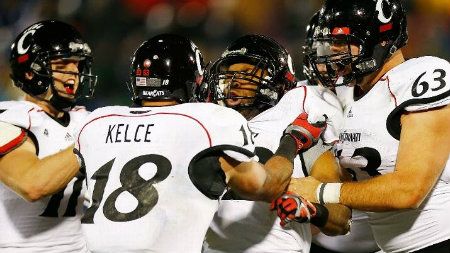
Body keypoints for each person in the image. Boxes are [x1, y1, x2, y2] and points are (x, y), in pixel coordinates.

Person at [76, 34, 326, 253]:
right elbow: (264, 187)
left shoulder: (97, 120)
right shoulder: (208, 120)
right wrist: (291, 141)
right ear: (192, 80)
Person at [276, 0, 450, 252]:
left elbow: (408, 191)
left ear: (378, 41)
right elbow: (354, 190)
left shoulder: (421, 75)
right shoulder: (352, 95)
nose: (331, 52)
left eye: (340, 42)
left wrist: (321, 191)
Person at [199, 34, 351, 253]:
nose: (235, 80)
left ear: (278, 82)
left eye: (246, 72)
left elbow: (342, 219)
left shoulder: (300, 129)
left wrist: (311, 211)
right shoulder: (206, 127)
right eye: (229, 72)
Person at [0, 20, 97, 252]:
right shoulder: (9, 119)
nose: (74, 72)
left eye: (77, 64)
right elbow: (32, 184)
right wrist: (90, 140)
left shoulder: (86, 119)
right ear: (32, 72)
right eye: (64, 64)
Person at [302, 12, 381, 253]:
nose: (331, 58)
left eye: (338, 47)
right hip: (325, 238)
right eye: (324, 51)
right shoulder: (301, 97)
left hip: (395, 236)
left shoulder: (387, 93)